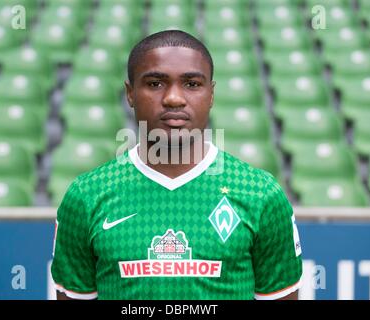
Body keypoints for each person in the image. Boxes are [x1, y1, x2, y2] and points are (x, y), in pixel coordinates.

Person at [51, 30, 303, 300]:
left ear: (211, 94)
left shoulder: (260, 194)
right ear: (130, 93)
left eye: (192, 84)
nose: (173, 98)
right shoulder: (86, 195)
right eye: (155, 83)